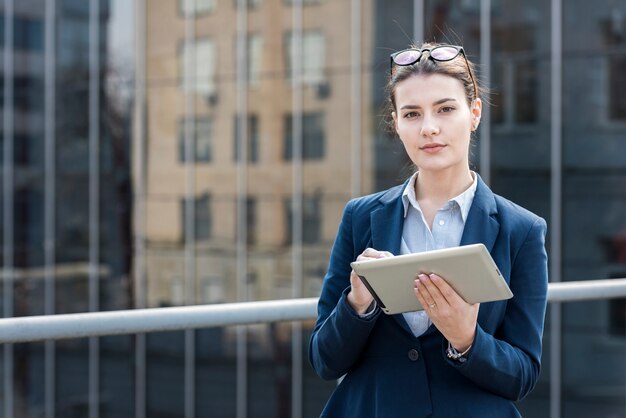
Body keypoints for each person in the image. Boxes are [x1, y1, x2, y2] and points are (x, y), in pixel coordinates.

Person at [308, 42, 548, 418]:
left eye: (446, 109)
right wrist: (357, 305)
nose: (429, 128)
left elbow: (522, 375)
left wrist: (467, 339)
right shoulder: (361, 217)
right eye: (412, 114)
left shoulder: (522, 230)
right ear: (396, 123)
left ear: (475, 113)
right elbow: (324, 360)